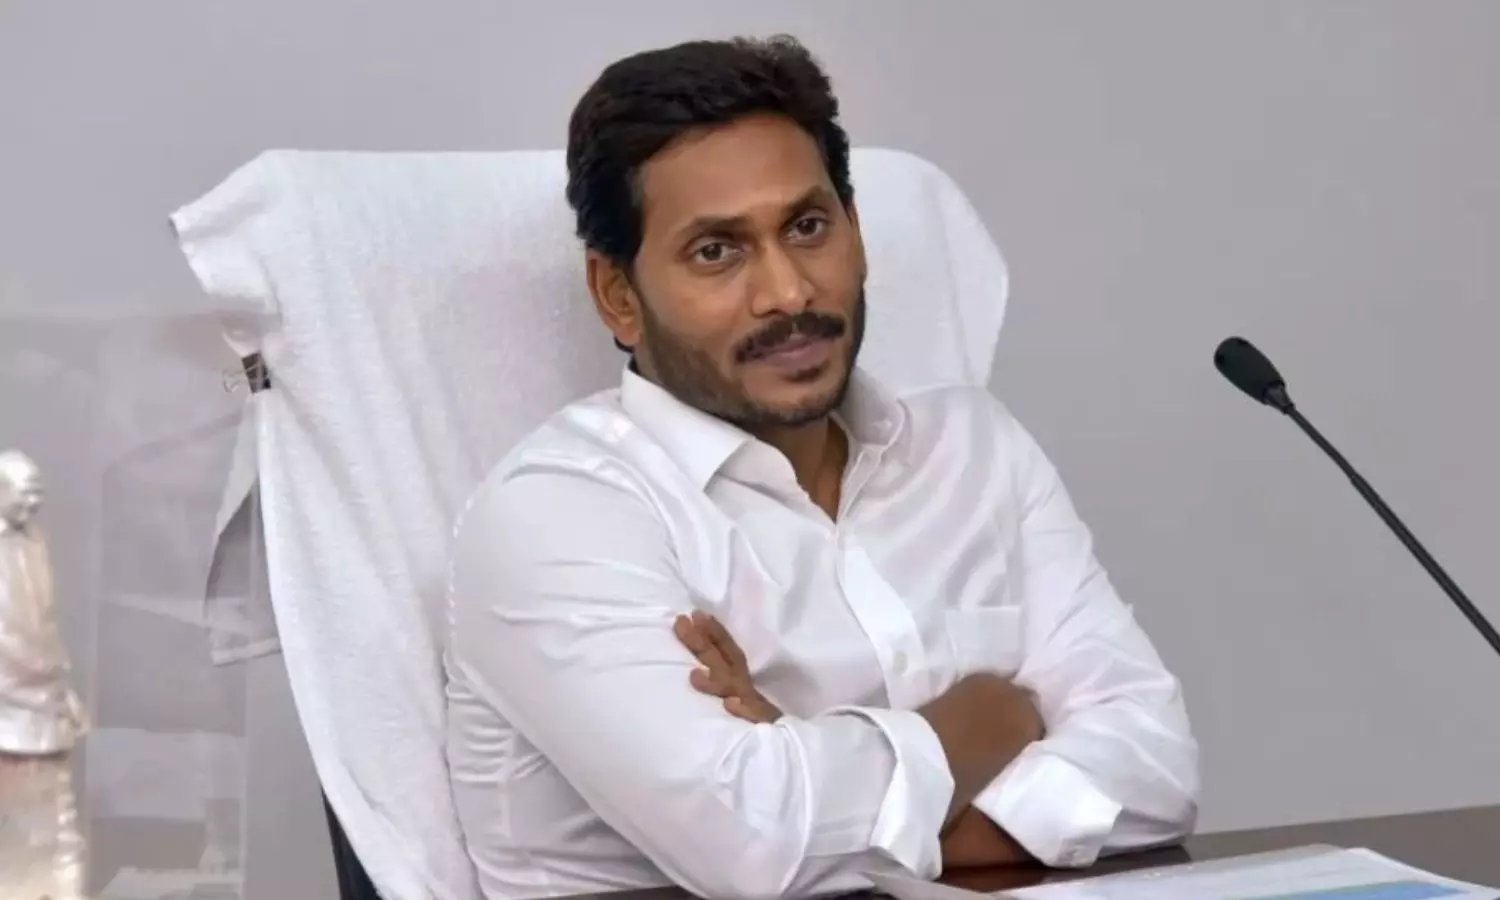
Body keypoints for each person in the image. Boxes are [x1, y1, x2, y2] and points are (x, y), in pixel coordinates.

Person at [443, 35, 1198, 900]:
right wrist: (996, 712)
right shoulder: (561, 513)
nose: (789, 293)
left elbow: (1158, 767)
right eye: (717, 251)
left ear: (856, 232)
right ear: (618, 295)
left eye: (807, 228)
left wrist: (813, 764)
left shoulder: (976, 451)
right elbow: (753, 847)